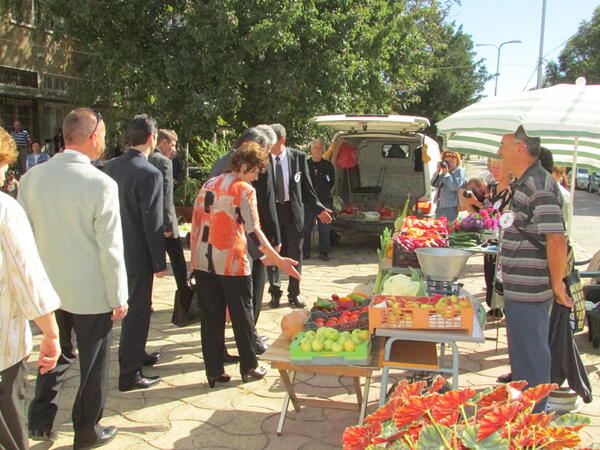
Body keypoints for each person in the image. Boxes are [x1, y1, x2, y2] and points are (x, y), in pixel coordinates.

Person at [19, 108, 129, 448]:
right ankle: (86, 431)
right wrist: (119, 295)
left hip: (48, 290)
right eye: (105, 135)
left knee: (54, 353)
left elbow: (24, 240)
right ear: (94, 137)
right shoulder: (101, 184)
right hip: (91, 293)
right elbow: (110, 247)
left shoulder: (31, 178)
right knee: (93, 362)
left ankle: (40, 420)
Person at [190, 142, 300, 386]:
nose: (257, 177)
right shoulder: (244, 189)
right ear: (243, 166)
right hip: (232, 262)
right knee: (242, 316)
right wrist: (278, 260)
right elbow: (255, 231)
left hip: (203, 261)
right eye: (255, 172)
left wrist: (192, 264)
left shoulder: (209, 183)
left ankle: (214, 371)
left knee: (211, 318)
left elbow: (196, 223)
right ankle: (249, 367)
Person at [497, 126, 573, 413]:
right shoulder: (526, 181)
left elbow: (556, 238)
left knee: (532, 354)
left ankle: (535, 418)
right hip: (520, 286)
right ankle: (524, 413)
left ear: (520, 148)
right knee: (522, 355)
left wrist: (557, 284)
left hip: (531, 288)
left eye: (503, 147)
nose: (499, 152)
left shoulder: (538, 184)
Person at [0, 127, 61, 450]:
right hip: (2, 345)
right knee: (9, 417)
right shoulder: (5, 210)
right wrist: (50, 331)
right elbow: (27, 275)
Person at [103, 114, 166, 392]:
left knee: (131, 312)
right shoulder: (150, 173)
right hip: (138, 254)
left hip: (113, 251)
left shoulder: (108, 167)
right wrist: (158, 260)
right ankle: (129, 374)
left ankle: (136, 354)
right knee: (137, 313)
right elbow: (152, 221)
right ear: (152, 138)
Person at [209, 126, 280, 357]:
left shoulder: (219, 163)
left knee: (220, 304)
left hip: (215, 246)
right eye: (264, 150)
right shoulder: (245, 171)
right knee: (248, 298)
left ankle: (220, 351)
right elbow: (258, 214)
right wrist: (270, 246)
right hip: (243, 244)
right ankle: (251, 343)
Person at [267, 123, 332, 308]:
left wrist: (319, 208)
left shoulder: (297, 157)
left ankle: (294, 293)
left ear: (282, 140)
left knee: (295, 252)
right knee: (273, 252)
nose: (268, 145)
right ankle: (275, 292)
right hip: (271, 212)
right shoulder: (263, 159)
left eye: (272, 142)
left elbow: (307, 187)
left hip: (293, 212)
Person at [148, 129, 188, 294]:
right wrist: (168, 225)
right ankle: (184, 294)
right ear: (162, 142)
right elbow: (166, 196)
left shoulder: (144, 158)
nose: (173, 149)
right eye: (172, 145)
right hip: (164, 222)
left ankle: (147, 300)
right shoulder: (163, 162)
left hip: (147, 221)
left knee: (148, 263)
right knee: (178, 260)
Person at [482, 158, 512, 317]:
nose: (494, 170)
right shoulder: (492, 187)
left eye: (498, 167)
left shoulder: (514, 190)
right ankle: (494, 306)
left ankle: (506, 307)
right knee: (489, 272)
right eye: (492, 167)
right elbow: (486, 208)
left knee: (502, 275)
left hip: (506, 239)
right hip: (490, 239)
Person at [302, 138, 334, 261]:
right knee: (306, 228)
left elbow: (332, 182)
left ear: (323, 150)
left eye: (320, 148)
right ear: (311, 149)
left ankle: (324, 252)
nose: (317, 150)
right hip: (308, 202)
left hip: (324, 201)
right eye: (315, 148)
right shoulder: (304, 164)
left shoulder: (328, 165)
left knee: (325, 228)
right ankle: (305, 252)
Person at [431, 150, 466, 222]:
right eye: (447, 162)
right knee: (439, 227)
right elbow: (434, 184)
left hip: (450, 206)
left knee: (448, 228)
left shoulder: (459, 171)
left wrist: (447, 174)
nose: (449, 164)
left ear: (457, 161)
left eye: (451, 161)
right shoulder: (445, 171)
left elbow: (455, 187)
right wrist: (437, 172)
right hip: (440, 204)